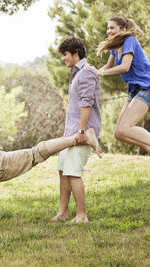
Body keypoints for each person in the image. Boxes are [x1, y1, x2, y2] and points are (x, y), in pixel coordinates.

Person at [89, 16, 150, 172]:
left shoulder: (129, 40)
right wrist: (92, 73)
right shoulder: (116, 46)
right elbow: (108, 66)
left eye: (112, 28)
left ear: (123, 29)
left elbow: (125, 66)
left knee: (127, 127)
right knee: (119, 133)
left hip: (148, 87)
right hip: (135, 90)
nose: (108, 31)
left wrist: (101, 72)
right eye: (107, 28)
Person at [52, 37, 101, 224]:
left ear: (75, 53)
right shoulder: (75, 73)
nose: (63, 58)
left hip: (82, 132)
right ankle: (63, 213)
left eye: (65, 54)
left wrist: (82, 131)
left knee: (73, 171)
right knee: (63, 170)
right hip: (70, 132)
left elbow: (86, 104)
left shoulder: (87, 73)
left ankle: (82, 215)